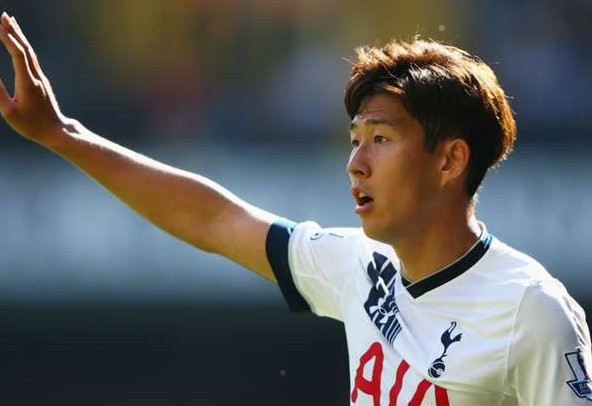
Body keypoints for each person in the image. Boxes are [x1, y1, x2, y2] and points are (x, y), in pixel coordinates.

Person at [0, 11, 590, 406]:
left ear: (450, 159)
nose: (356, 163)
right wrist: (63, 134)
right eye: (354, 139)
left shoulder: (530, 311)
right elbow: (215, 219)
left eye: (381, 139)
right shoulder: (361, 266)